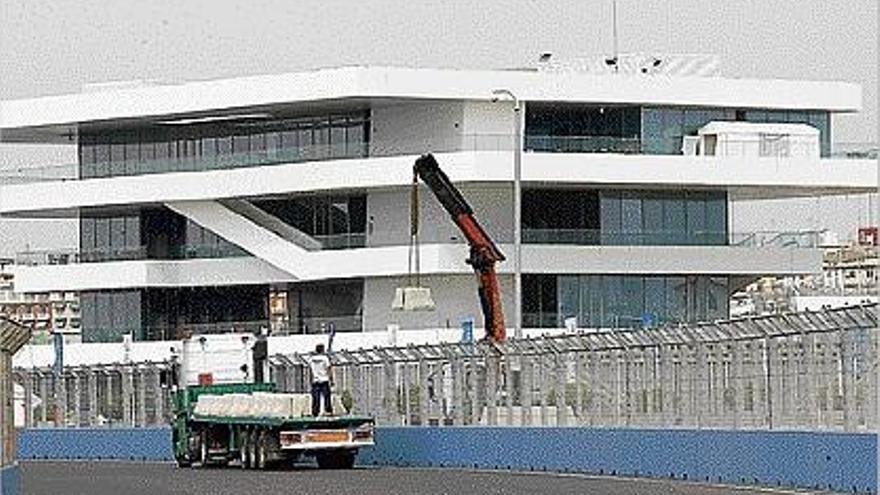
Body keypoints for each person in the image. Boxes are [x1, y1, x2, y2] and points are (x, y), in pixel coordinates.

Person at [309, 343, 333, 416]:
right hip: (324, 379)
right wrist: (331, 380)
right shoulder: (325, 358)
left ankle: (315, 412)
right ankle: (328, 410)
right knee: (327, 396)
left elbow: (310, 371)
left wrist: (310, 380)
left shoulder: (311, 359)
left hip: (315, 380)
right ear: (322, 350)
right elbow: (329, 369)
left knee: (315, 397)